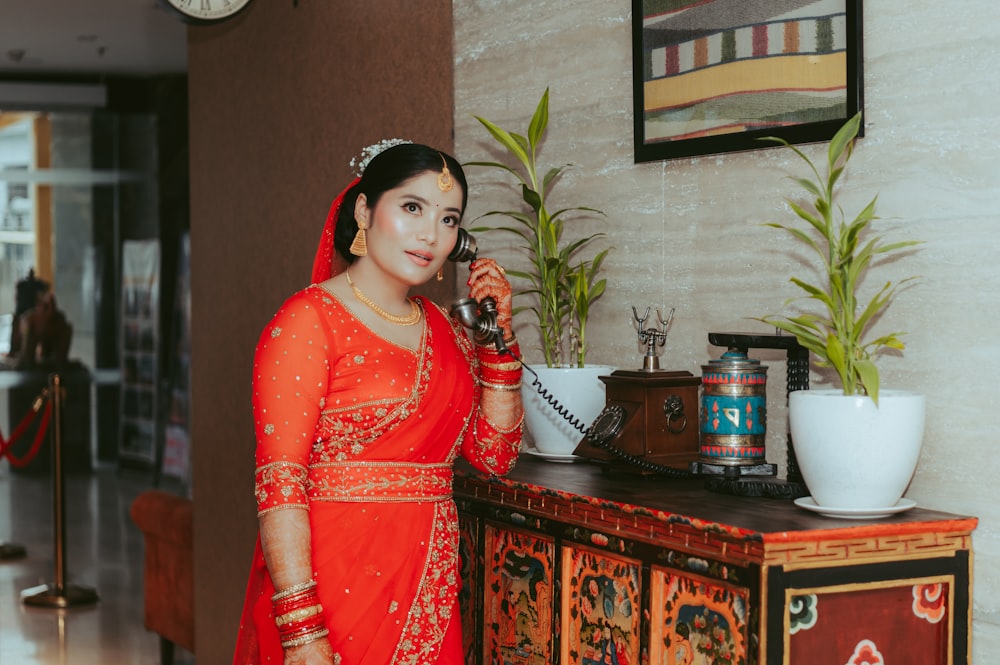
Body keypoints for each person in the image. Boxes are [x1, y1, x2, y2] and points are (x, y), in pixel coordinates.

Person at [232, 140, 524, 665]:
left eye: (449, 219)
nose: (431, 235)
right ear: (365, 210)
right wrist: (302, 632)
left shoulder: (450, 334)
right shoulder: (306, 322)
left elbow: (494, 457)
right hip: (331, 594)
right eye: (412, 208)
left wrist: (497, 341)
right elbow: (280, 484)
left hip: (427, 587)